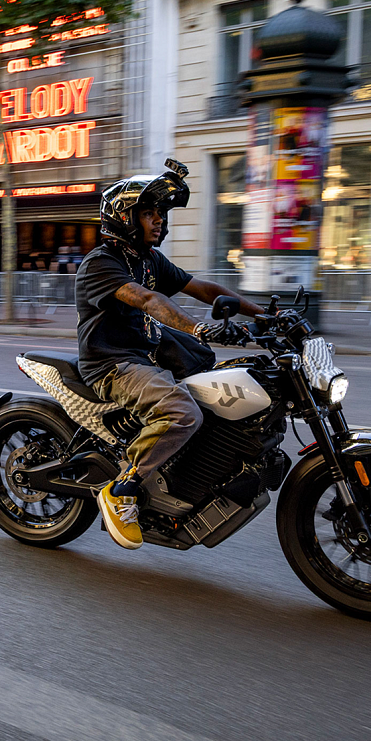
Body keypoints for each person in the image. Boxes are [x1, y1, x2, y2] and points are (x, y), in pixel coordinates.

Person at [77, 160, 262, 551]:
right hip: (113, 365)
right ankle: (122, 488)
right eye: (149, 213)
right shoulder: (101, 263)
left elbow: (204, 289)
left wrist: (266, 315)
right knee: (182, 412)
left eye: (161, 212)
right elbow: (147, 299)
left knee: (224, 386)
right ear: (125, 217)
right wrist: (197, 328)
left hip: (147, 357)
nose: (159, 220)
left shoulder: (148, 260)